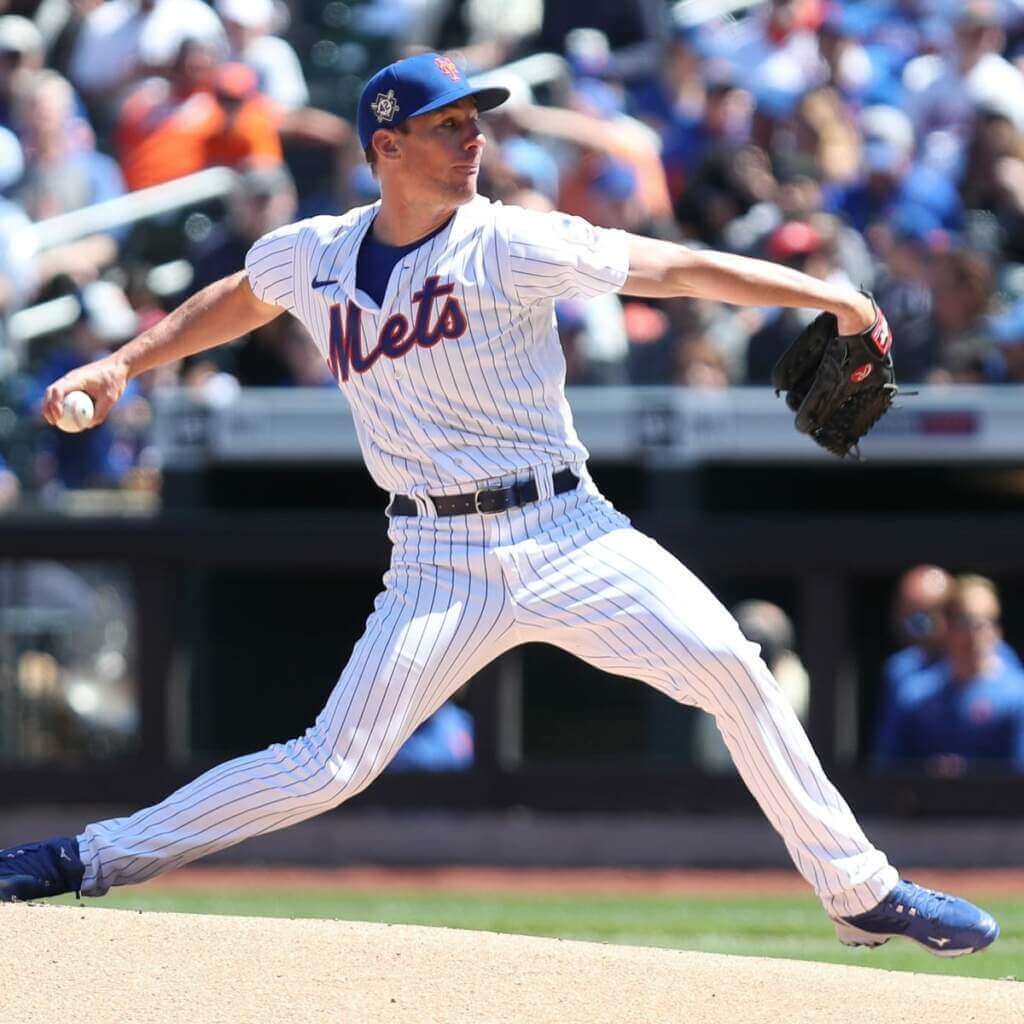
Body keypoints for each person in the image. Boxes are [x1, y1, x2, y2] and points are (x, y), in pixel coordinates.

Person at [2, 52, 999, 958]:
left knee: (732, 668)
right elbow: (241, 295)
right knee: (328, 763)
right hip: (433, 557)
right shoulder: (311, 253)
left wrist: (822, 294)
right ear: (386, 145)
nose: (473, 134)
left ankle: (859, 890)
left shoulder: (510, 240)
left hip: (567, 529)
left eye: (476, 119)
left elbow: (670, 265)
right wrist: (126, 361)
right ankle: (85, 859)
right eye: (448, 124)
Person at [876, 575, 1024, 774]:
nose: (976, 634)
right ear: (945, 626)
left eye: (988, 622)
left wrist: (969, 773)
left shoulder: (1017, 695)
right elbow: (887, 767)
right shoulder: (914, 695)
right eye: (965, 622)